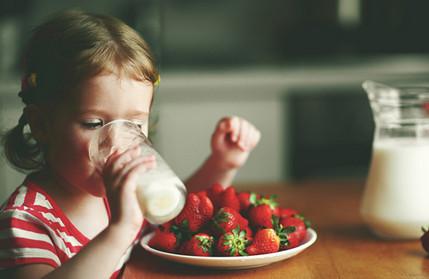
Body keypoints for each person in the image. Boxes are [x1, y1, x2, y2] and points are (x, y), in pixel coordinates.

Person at [0, 10, 260, 279]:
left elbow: (179, 215)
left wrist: (222, 162)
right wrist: (120, 230)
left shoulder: (125, 191)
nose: (116, 144)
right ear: (42, 125)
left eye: (134, 125)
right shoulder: (25, 221)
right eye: (93, 123)